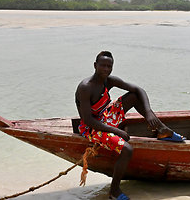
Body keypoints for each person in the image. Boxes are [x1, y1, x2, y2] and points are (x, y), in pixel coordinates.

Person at [75, 51, 184, 200]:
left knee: (133, 96)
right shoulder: (85, 87)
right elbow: (88, 120)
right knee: (127, 150)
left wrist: (149, 112)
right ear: (95, 66)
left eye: (109, 66)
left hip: (106, 117)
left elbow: (139, 90)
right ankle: (114, 192)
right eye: (103, 66)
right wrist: (116, 132)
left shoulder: (109, 80)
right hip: (92, 128)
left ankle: (162, 130)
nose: (106, 69)